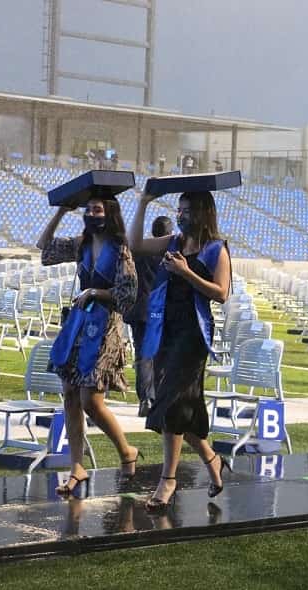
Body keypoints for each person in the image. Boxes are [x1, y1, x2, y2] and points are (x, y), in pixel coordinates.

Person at [129, 190, 232, 511]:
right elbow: (135, 245)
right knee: (183, 410)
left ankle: (168, 480)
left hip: (193, 335)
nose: (181, 214)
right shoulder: (172, 242)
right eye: (180, 209)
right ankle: (213, 460)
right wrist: (144, 203)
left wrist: (186, 272)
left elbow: (222, 293)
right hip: (166, 331)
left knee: (171, 405)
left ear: (203, 213)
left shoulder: (217, 249)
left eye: (187, 210)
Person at [36, 194, 141, 495]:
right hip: (79, 325)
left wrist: (96, 292)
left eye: (97, 209)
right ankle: (76, 467)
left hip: (105, 327)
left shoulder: (120, 250)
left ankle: (126, 450)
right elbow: (44, 248)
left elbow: (128, 293)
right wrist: (60, 212)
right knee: (70, 395)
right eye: (88, 209)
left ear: (109, 213)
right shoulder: (82, 243)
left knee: (90, 401)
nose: (91, 214)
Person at [124, 216, 174, 418]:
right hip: (161, 311)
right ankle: (158, 397)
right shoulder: (171, 255)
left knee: (143, 357)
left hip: (141, 310)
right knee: (161, 356)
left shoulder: (140, 250)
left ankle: (146, 398)